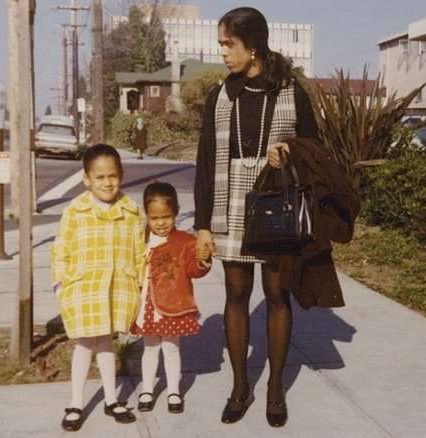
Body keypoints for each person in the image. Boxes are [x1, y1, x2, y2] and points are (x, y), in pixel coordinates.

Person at [193, 7, 321, 428]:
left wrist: (286, 153)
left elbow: (314, 150)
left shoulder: (290, 90)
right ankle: (240, 386)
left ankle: (275, 389)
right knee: (234, 294)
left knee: (277, 294)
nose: (224, 53)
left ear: (254, 45)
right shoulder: (220, 94)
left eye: (229, 45)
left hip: (274, 204)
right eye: (221, 45)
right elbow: (206, 161)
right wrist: (202, 227)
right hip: (228, 203)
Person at [50, 144, 146, 432]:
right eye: (100, 177)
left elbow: (139, 251)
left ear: (122, 175)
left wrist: (139, 284)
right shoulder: (75, 211)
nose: (107, 183)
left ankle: (111, 399)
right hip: (83, 288)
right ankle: (76, 402)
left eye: (113, 176)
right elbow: (60, 250)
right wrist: (60, 284)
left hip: (116, 287)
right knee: (84, 344)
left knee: (106, 341)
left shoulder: (130, 211)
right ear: (86, 179)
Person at [131, 181, 212, 414]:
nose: (161, 223)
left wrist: (201, 260)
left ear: (176, 212)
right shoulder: (140, 239)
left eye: (166, 217)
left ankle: (174, 390)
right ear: (147, 215)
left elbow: (193, 269)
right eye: (155, 218)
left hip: (173, 304)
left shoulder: (185, 241)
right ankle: (147, 389)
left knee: (171, 348)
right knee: (150, 348)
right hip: (146, 304)